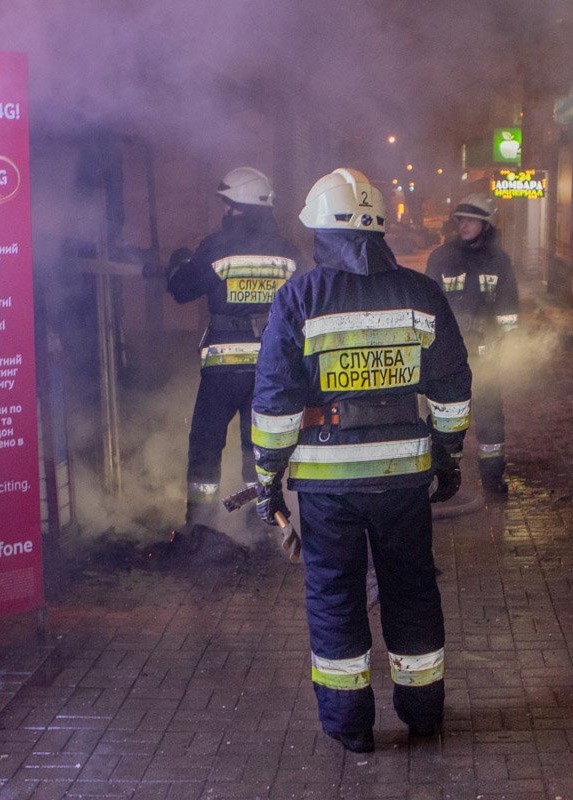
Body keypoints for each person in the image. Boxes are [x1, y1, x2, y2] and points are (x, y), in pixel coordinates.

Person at [251, 168, 472, 752]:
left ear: (321, 231)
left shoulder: (299, 298)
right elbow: (451, 390)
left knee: (334, 594)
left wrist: (266, 481)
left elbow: (275, 404)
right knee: (412, 589)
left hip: (328, 484)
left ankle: (351, 728)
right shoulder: (420, 294)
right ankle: (423, 714)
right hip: (404, 476)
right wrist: (448, 459)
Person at [165, 167, 301, 538]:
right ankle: (258, 527)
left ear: (237, 207)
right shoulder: (287, 251)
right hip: (269, 369)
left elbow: (181, 289)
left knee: (206, 447)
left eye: (227, 204)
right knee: (256, 452)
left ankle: (200, 528)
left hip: (223, 371)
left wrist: (179, 260)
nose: (224, 211)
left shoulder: (217, 246)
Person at [425, 193, 518, 494]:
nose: (464, 225)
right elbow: (428, 305)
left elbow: (509, 311)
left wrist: (505, 347)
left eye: (471, 220)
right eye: (461, 220)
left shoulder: (499, 261)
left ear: (486, 224)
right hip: (449, 356)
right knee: (447, 416)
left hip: (486, 354)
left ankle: (492, 478)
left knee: (490, 418)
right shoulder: (441, 258)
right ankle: (445, 476)